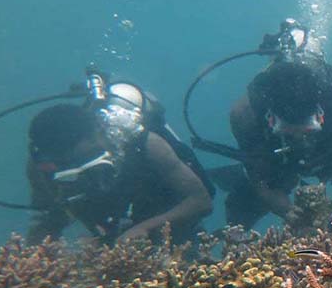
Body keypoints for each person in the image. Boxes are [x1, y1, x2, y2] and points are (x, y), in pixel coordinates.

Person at [225, 59, 332, 228]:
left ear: (320, 114)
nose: (300, 137)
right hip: (275, 161)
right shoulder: (244, 114)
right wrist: (286, 211)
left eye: (308, 128)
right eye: (287, 130)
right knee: (236, 222)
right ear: (270, 119)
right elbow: (260, 182)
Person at [27, 83, 213, 243]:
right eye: (69, 165)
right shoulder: (43, 167)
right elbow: (49, 220)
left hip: (163, 214)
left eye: (89, 158)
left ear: (98, 132)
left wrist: (144, 228)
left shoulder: (146, 143)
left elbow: (200, 201)